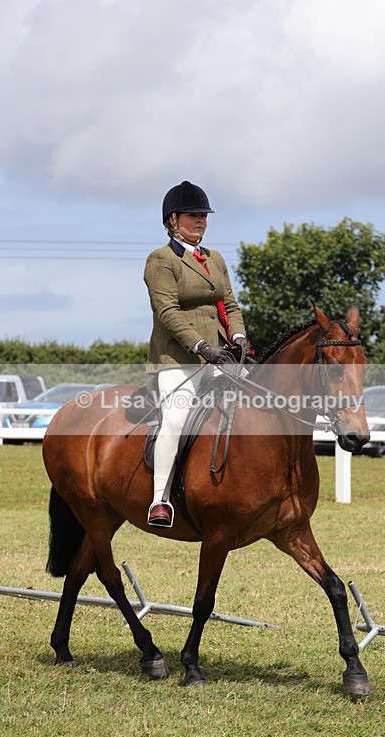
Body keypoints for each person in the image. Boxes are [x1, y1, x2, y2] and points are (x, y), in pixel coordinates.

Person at [143, 180, 249, 527]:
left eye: (204, 215)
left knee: (257, 404)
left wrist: (237, 334)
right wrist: (201, 346)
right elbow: (167, 312)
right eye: (193, 215)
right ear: (173, 220)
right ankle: (160, 500)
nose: (201, 221)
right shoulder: (161, 260)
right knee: (175, 419)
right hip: (178, 359)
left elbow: (229, 303)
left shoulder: (214, 259)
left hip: (221, 354)